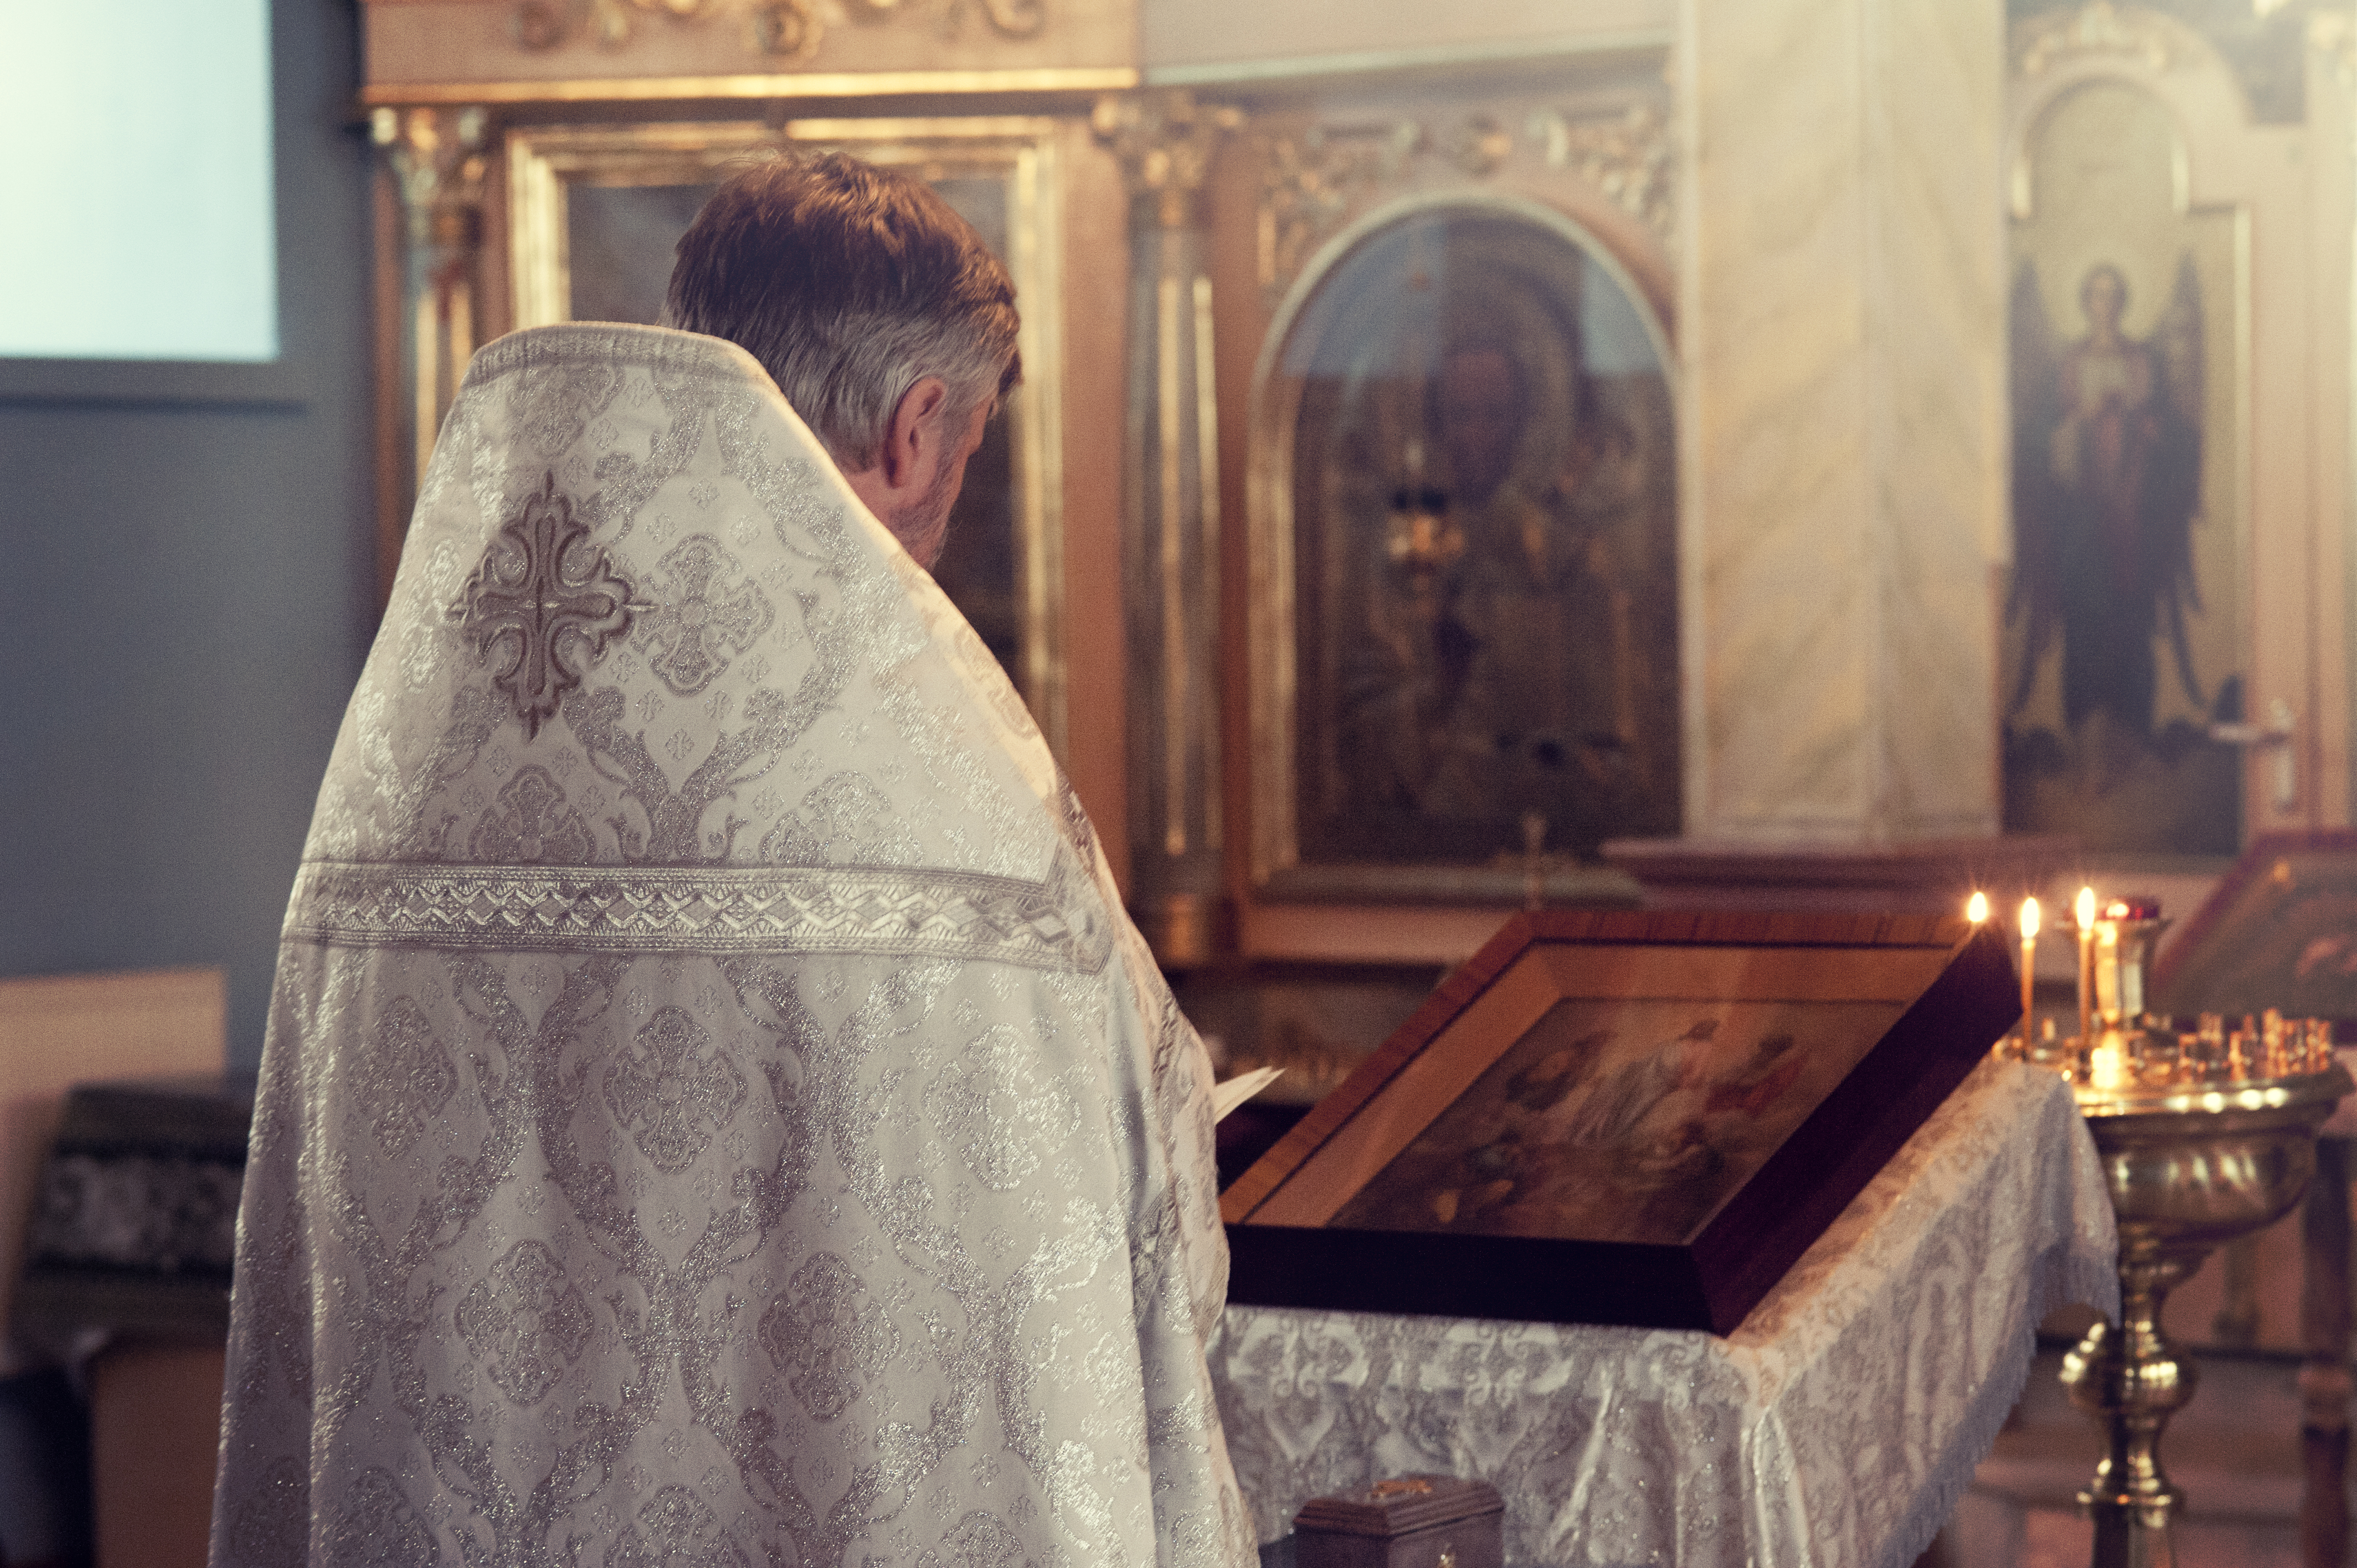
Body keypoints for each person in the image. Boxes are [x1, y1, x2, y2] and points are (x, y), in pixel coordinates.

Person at [209, 153, 1255, 1568]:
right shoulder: (953, 784)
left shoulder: (422, 735)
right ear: (917, 423)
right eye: (974, 446)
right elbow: (1134, 1208)